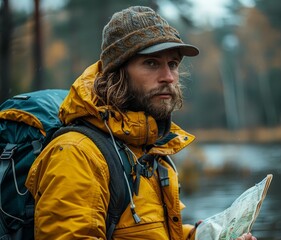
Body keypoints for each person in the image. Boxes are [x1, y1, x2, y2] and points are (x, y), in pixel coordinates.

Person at [25, 6, 257, 240]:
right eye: (152, 63)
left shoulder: (149, 150)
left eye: (173, 64)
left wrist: (209, 236)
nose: (168, 77)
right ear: (117, 73)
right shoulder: (75, 155)